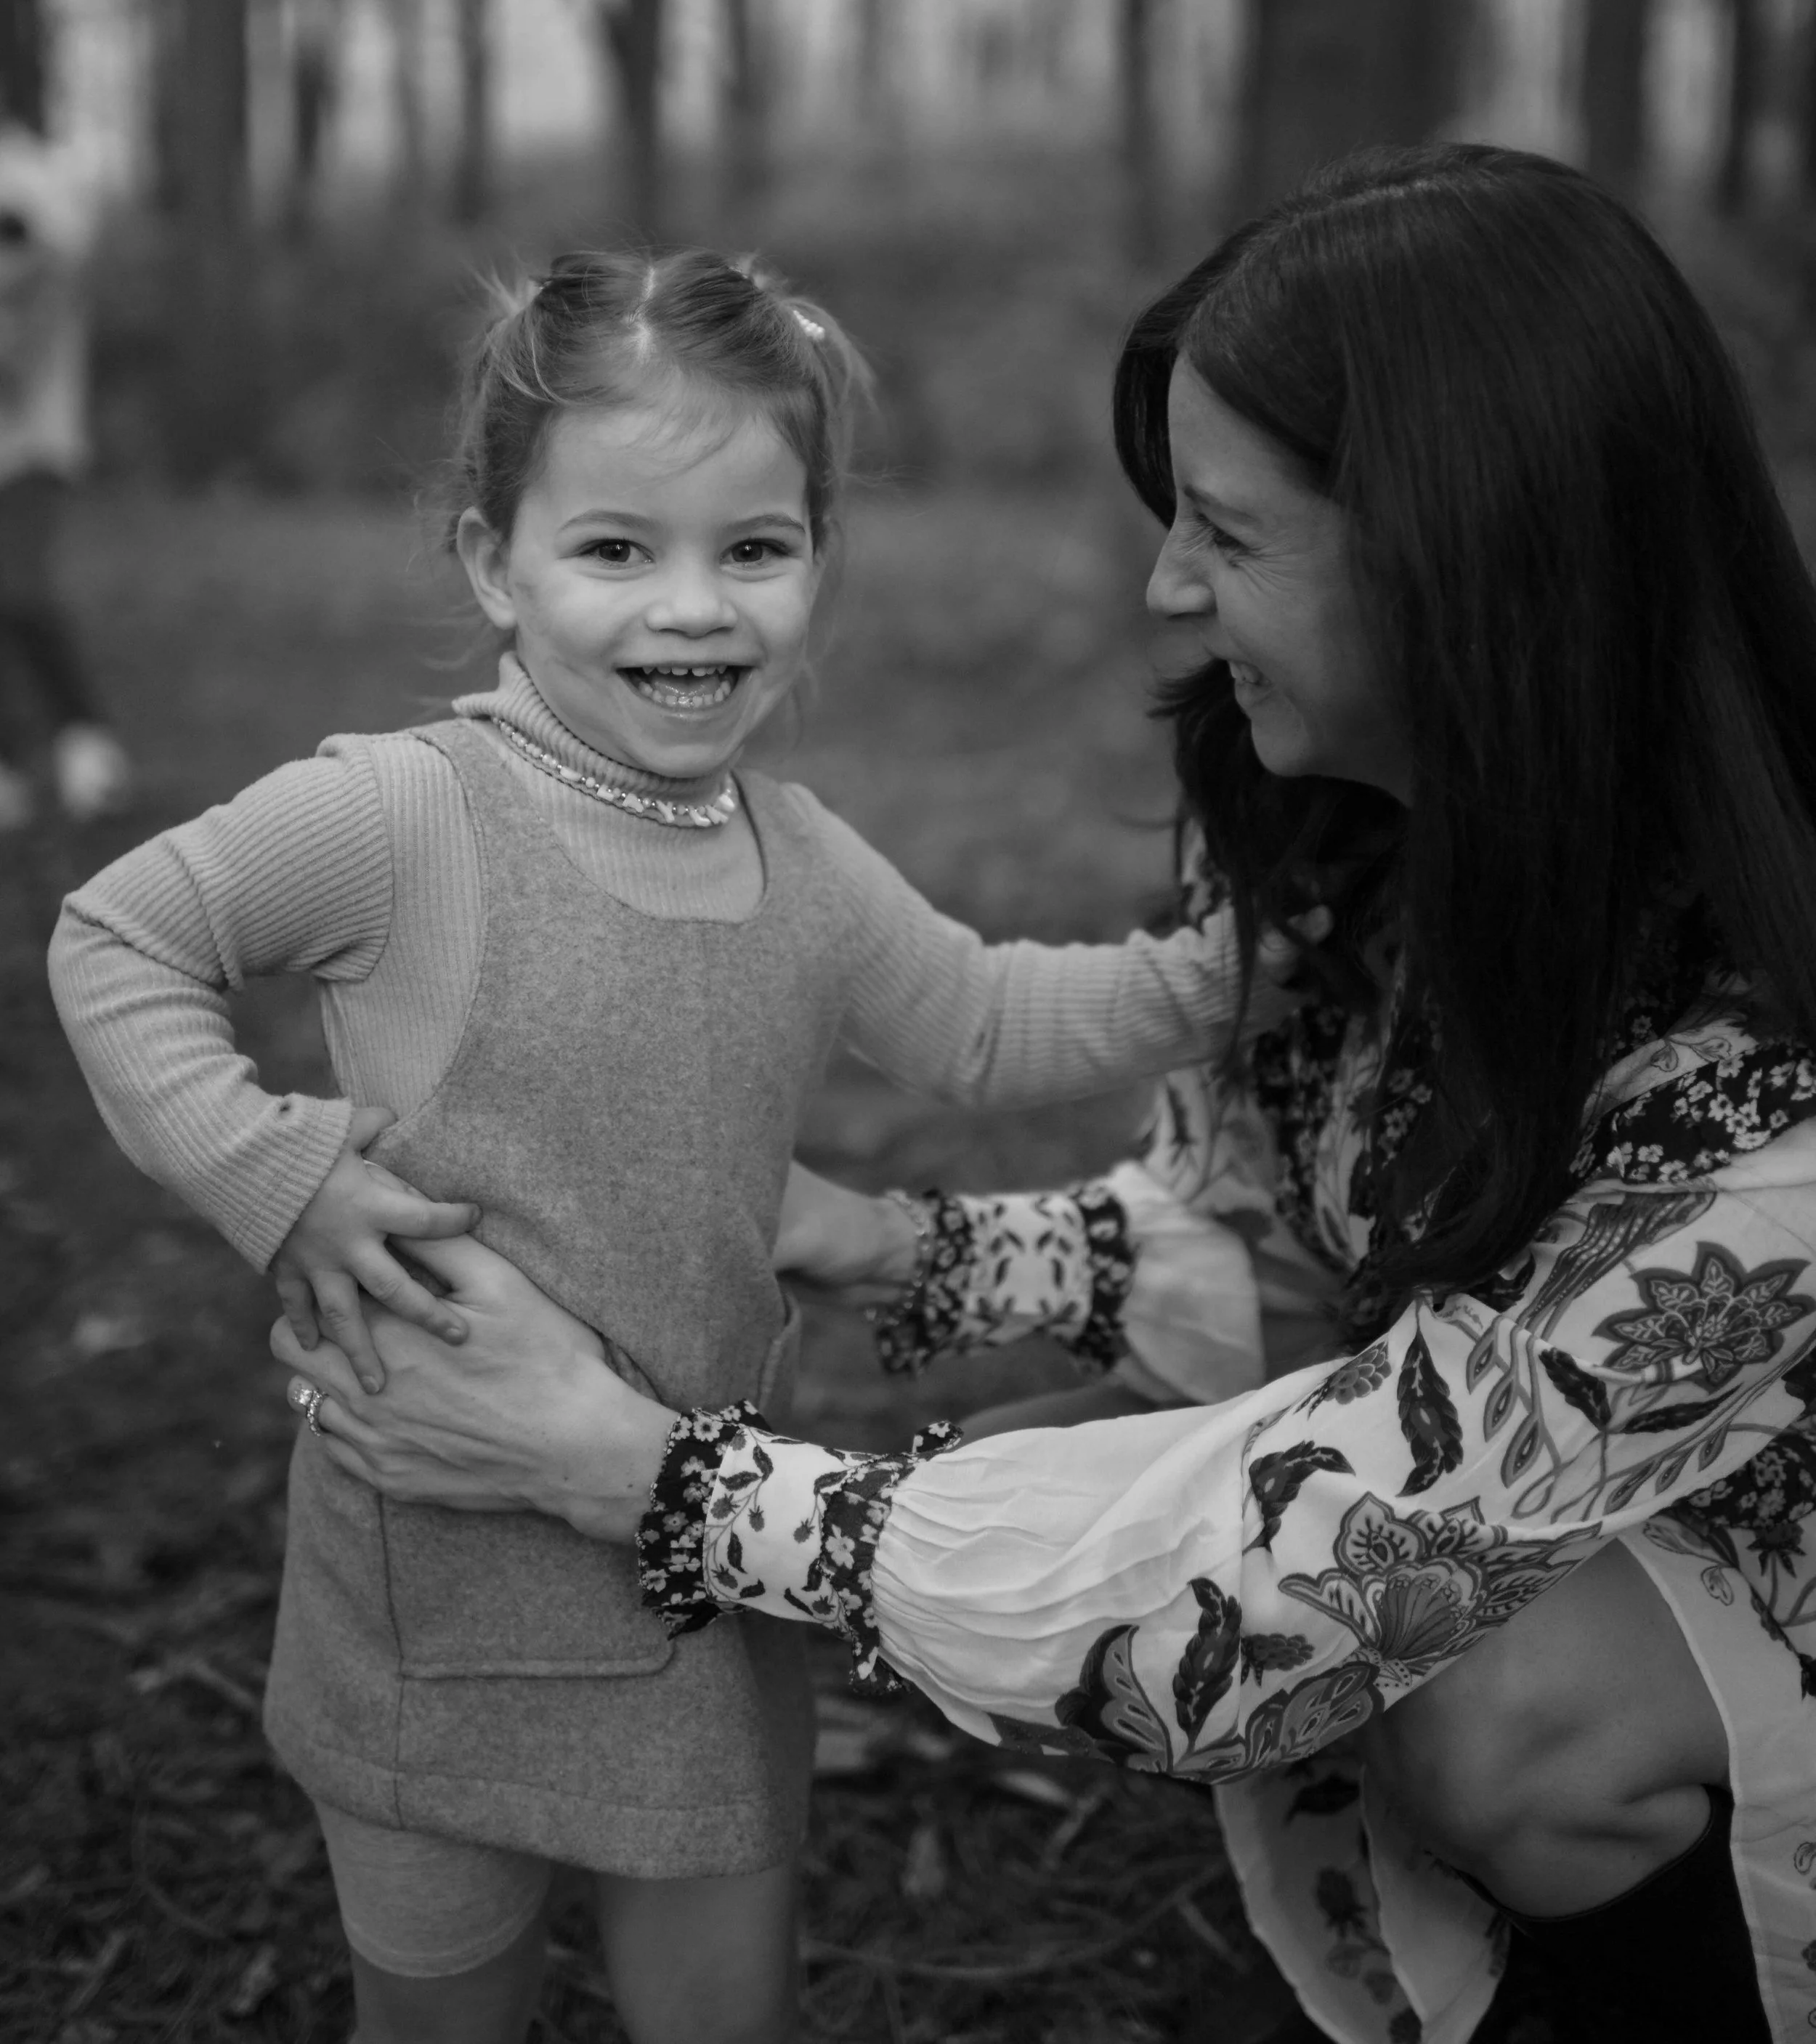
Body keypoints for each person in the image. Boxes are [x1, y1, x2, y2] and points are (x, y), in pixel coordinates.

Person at [273, 148, 1816, 2044]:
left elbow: (1332, 1567)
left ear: (1468, 561)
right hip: (1507, 1478)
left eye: (1230, 535)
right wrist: (876, 1238)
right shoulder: (1355, 832)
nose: (1167, 584)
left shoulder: (1765, 1074)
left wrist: (631, 1470)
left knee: (1500, 1714)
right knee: (1083, 1456)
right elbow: (1258, 1242)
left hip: (1715, 1573)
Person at [49, 248, 1306, 2044]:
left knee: (722, 2005)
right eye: (616, 548)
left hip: (696, 1553)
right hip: (433, 1567)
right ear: (494, 560)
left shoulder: (792, 856)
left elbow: (986, 1016)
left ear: (820, 562)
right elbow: (120, 935)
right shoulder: (409, 812)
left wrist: (1229, 968)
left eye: (755, 549)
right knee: (440, 2005)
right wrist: (285, 1173)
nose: (693, 609)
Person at [0, 127, 133, 830]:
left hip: (34, 447)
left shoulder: (32, 182)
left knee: (20, 592)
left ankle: (89, 747)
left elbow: (64, 252)